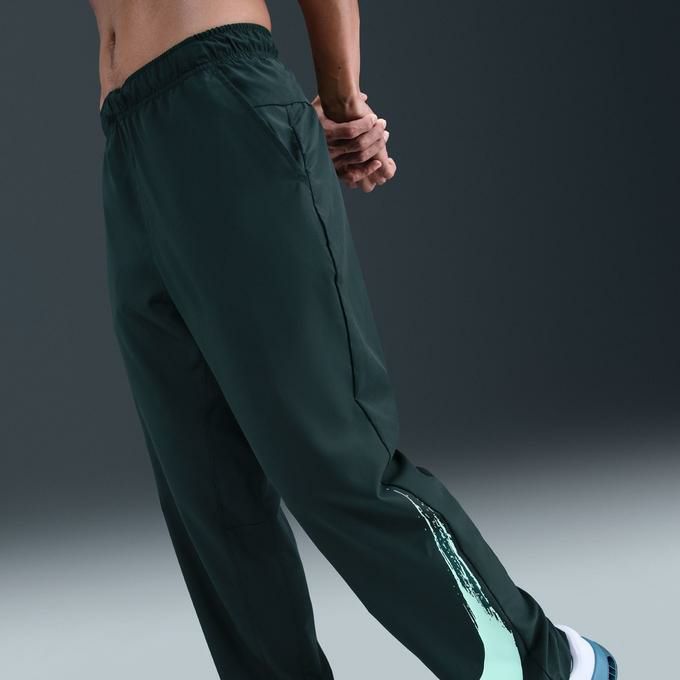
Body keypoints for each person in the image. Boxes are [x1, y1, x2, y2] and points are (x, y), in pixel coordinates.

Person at [90, 1, 618, 679]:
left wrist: (342, 106)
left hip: (218, 95)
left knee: (332, 453)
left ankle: (544, 665)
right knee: (209, 494)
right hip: (128, 140)